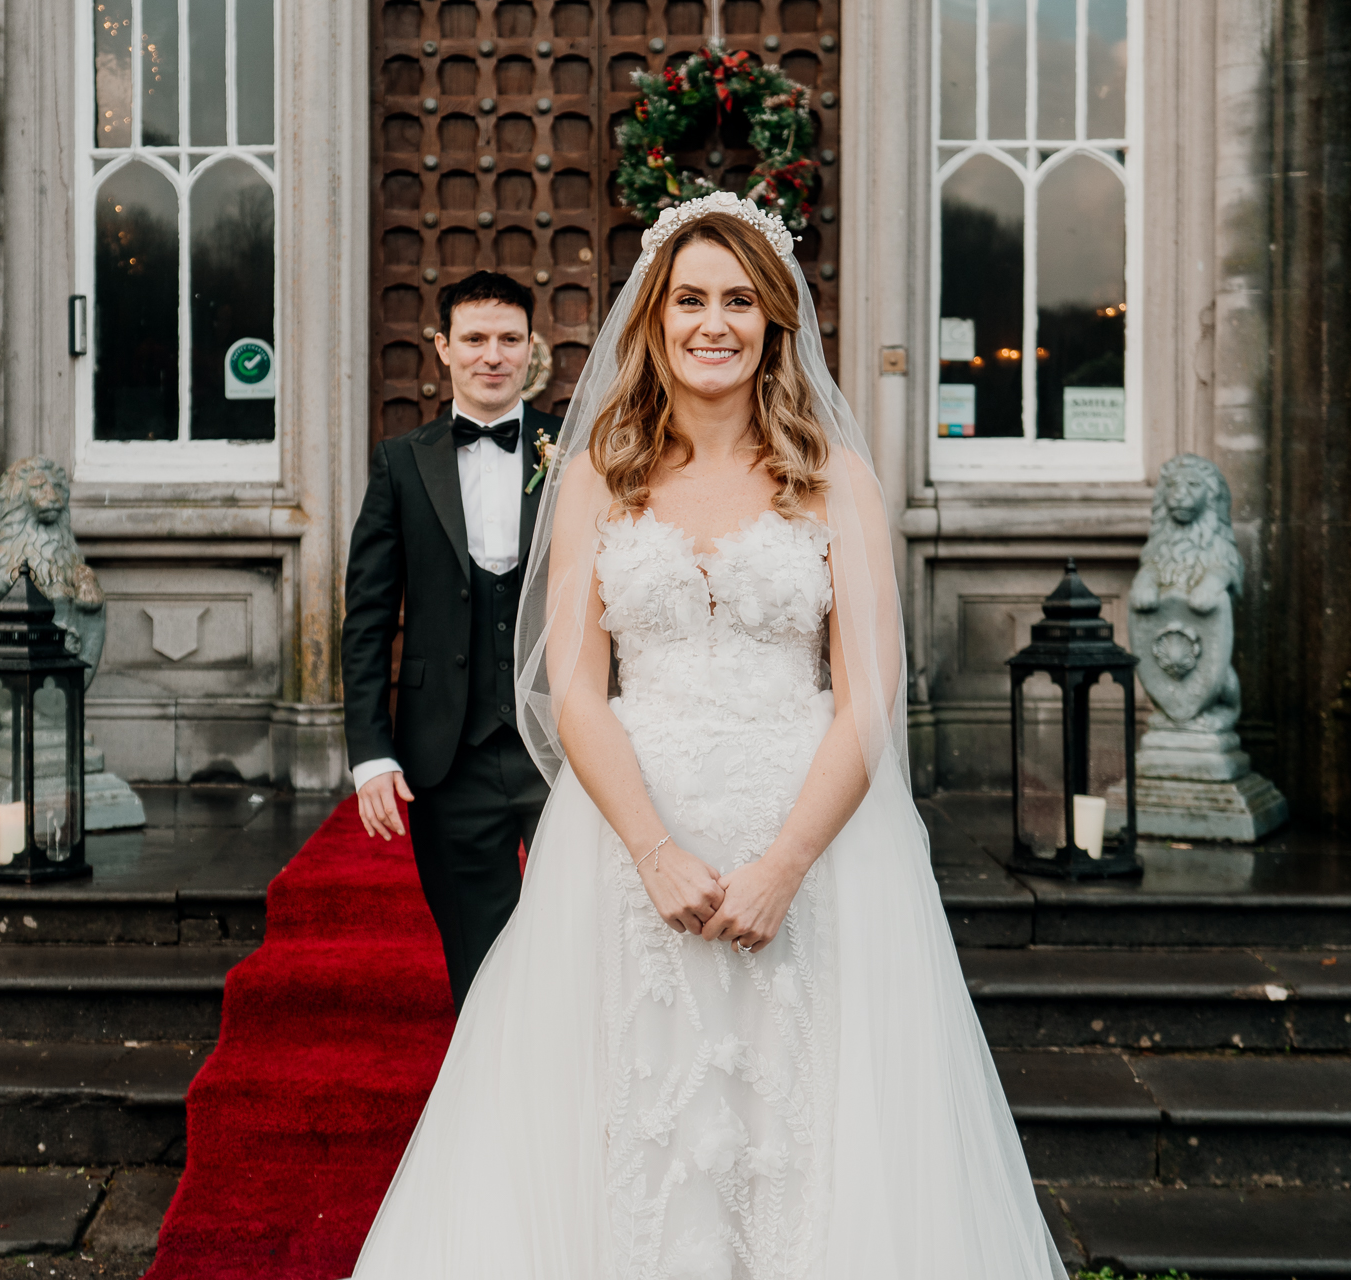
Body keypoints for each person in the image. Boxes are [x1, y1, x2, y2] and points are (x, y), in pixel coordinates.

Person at [348, 196, 1065, 1278]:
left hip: (810, 847)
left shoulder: (835, 475)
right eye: (689, 298)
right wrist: (651, 847)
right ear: (657, 317)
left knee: (804, 1120)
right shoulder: (598, 467)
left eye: (738, 299)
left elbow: (868, 694)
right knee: (630, 1110)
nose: (711, 322)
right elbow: (577, 690)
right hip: (633, 842)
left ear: (775, 320)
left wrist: (784, 863)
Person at [343, 271, 562, 1012]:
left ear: (533, 348)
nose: (491, 355)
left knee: (591, 942)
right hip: (447, 756)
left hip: (566, 746)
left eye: (508, 339)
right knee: (479, 962)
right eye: (474, 339)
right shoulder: (400, 463)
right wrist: (372, 752)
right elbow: (368, 617)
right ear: (443, 347)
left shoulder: (582, 452)